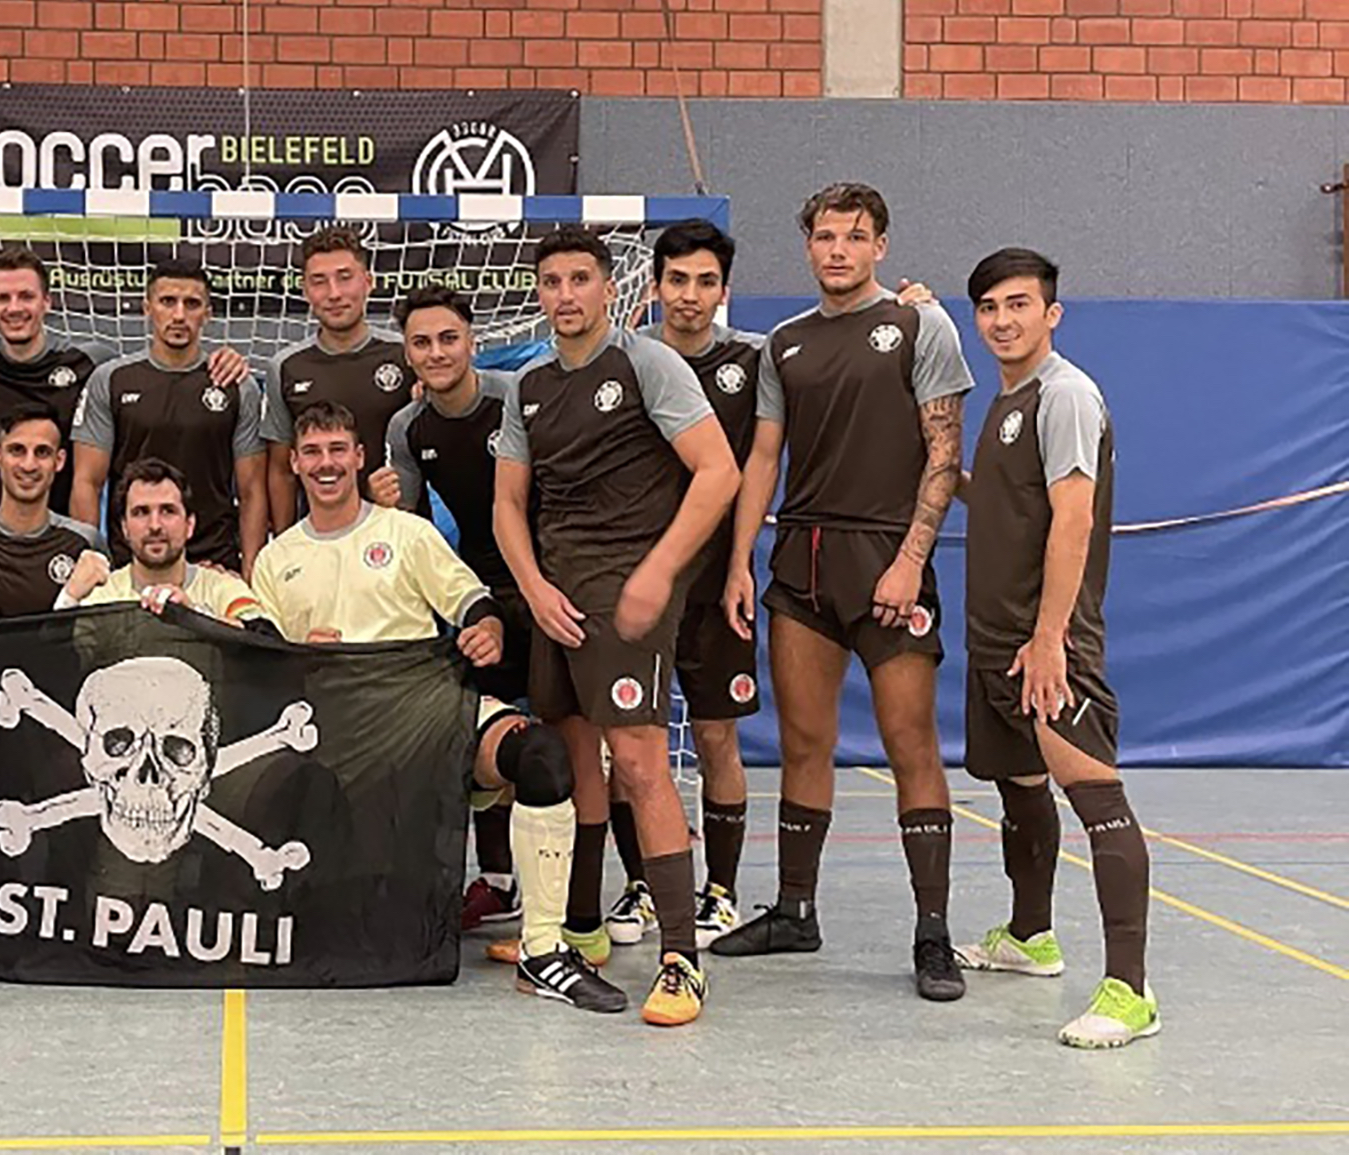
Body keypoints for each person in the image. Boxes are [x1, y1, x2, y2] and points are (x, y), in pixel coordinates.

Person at [256, 403, 628, 1014]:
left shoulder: (407, 534)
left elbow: (474, 602)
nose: (327, 464)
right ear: (295, 463)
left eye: (338, 450)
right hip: (337, 743)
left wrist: (489, 630)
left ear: (359, 458)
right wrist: (298, 655)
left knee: (540, 754)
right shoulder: (276, 560)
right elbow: (262, 663)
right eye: (314, 452)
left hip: (427, 718)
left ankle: (542, 950)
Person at [718, 182, 972, 1003]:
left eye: (854, 237)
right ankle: (795, 907)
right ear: (807, 246)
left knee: (911, 745)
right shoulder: (783, 343)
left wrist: (910, 560)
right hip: (802, 561)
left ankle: (933, 933)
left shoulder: (917, 325)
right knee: (802, 743)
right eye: (825, 236)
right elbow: (763, 458)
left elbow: (943, 454)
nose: (837, 249)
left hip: (889, 560)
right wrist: (738, 561)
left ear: (880, 246)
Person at [493, 227, 742, 1027]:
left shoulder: (647, 363)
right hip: (557, 590)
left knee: (638, 760)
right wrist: (531, 587)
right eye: (553, 282)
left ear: (609, 289)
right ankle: (582, 927)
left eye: (580, 280)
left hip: (627, 585)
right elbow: (507, 504)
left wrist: (658, 572)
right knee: (573, 756)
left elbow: (720, 471)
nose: (566, 295)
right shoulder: (527, 384)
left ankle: (681, 959)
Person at [956, 248, 1156, 1048]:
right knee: (1019, 782)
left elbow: (1072, 519)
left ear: (1052, 313)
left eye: (1018, 304)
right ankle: (1032, 936)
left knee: (1093, 790)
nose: (1003, 320)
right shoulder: (1010, 400)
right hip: (996, 633)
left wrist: (1050, 640)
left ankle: (1130, 991)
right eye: (989, 307)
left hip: (1045, 638)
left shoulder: (1066, 394)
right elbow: (1014, 504)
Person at [372, 287, 527, 931]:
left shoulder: (514, 398)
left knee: (583, 737)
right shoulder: (406, 427)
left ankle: (622, 891)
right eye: (421, 342)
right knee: (480, 731)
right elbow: (408, 528)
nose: (436, 353)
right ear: (407, 352)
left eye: (448, 339)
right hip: (478, 596)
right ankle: (498, 883)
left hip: (551, 583)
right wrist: (385, 499)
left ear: (472, 339)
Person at [0, 249, 250, 515]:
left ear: (47, 302)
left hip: (65, 539)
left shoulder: (92, 364)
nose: (15, 308)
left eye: (26, 296)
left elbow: (160, 371)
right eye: (2, 298)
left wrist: (225, 359)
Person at [69, 260, 268, 576]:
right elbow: (87, 482)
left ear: (208, 313)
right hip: (130, 567)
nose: (179, 315)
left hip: (213, 567)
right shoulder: (110, 380)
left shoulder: (237, 386)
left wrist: (251, 571)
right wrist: (93, 563)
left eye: (191, 304)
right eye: (167, 302)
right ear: (147, 307)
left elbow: (252, 490)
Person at [262, 227, 415, 530]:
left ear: (368, 282)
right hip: (324, 538)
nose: (334, 293)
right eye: (319, 281)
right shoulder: (286, 367)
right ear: (305, 290)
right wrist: (283, 542)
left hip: (401, 533)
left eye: (345, 277)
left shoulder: (407, 355)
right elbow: (281, 470)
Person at [60, 457, 276, 634]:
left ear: (189, 525)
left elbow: (269, 642)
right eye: (141, 512)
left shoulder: (222, 588)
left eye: (168, 511)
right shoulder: (102, 596)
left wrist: (195, 617)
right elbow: (60, 667)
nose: (155, 525)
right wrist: (68, 598)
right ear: (124, 528)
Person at [0, 406, 104, 618]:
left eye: (42, 452)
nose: (29, 465)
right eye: (17, 450)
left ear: (59, 461)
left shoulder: (84, 542)